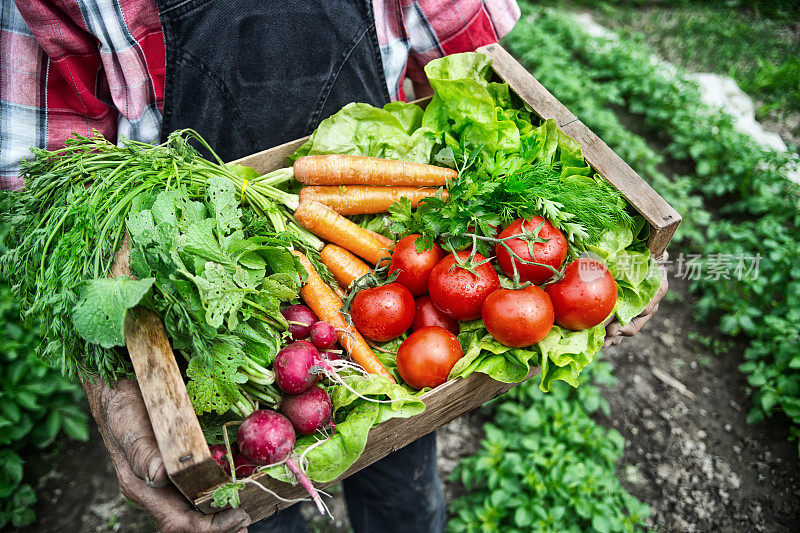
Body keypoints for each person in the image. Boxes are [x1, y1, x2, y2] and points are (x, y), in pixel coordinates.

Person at [1, 1, 668, 531]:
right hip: (195, 287)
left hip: (393, 324)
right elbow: (50, 184)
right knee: (254, 495)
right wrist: (118, 383)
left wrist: (610, 238)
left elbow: (475, 63)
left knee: (406, 486)